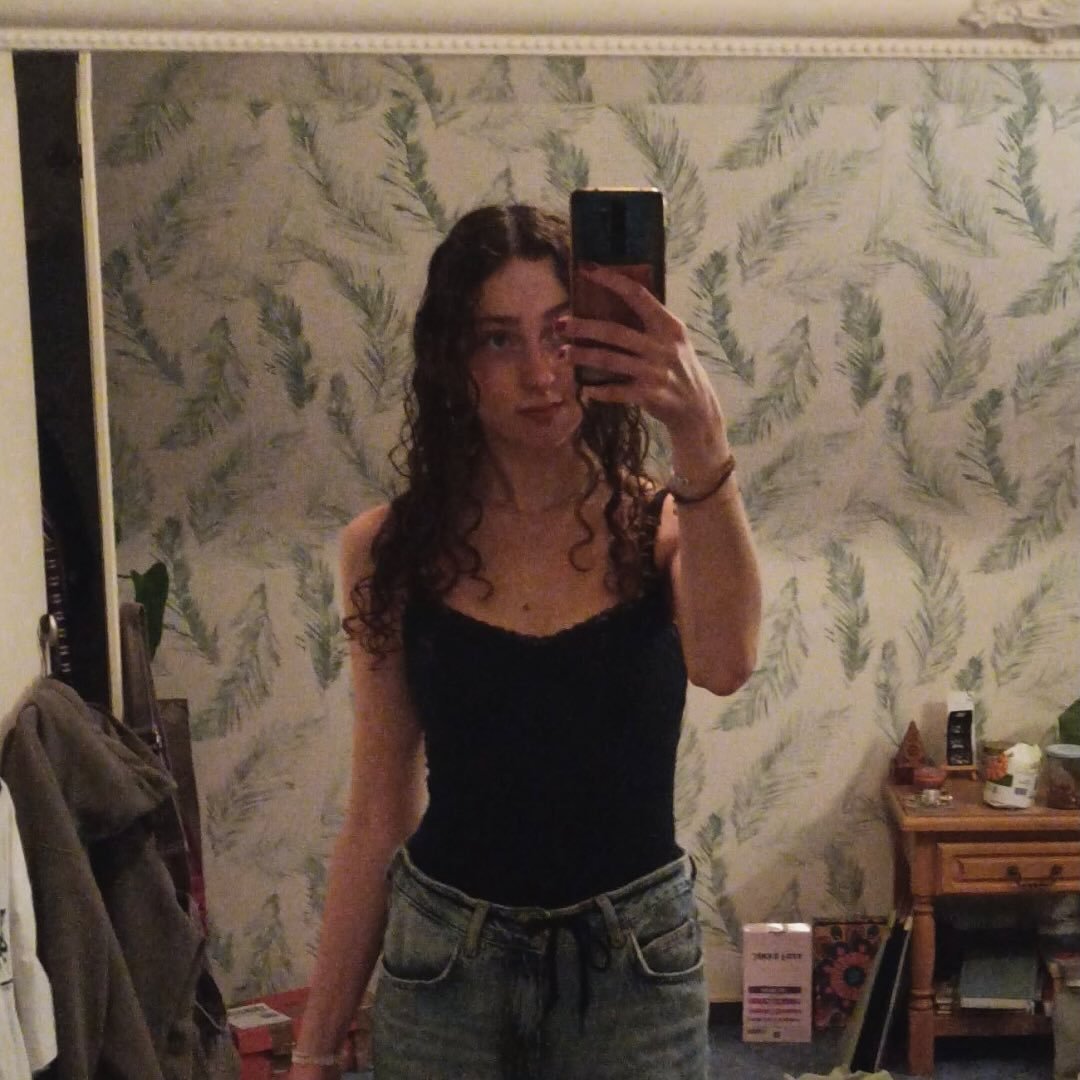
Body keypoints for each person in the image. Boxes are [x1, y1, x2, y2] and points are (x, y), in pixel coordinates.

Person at [288, 203, 762, 1080]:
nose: (541, 373)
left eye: (561, 333)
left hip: (635, 969)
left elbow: (727, 664)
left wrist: (701, 436)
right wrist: (314, 1045)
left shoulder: (663, 528)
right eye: (500, 340)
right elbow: (379, 808)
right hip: (446, 968)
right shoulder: (389, 549)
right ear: (453, 360)